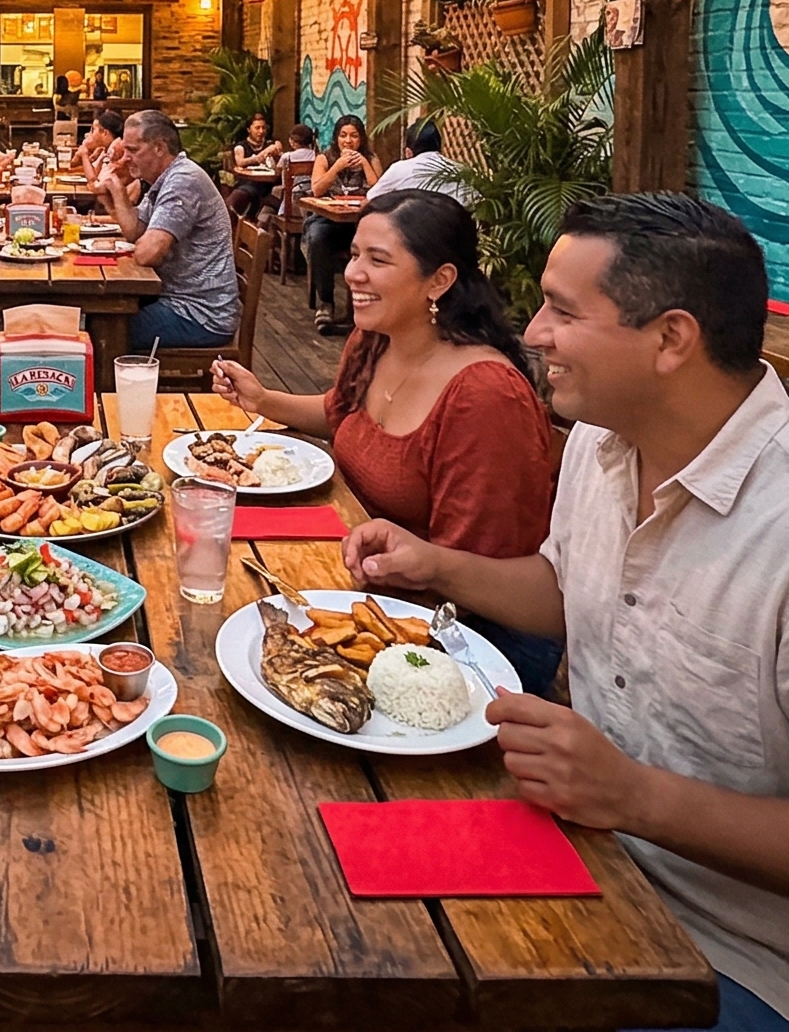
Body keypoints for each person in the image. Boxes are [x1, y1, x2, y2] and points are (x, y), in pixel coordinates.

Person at [343, 194, 789, 1032]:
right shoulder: (606, 441)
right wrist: (437, 564)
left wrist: (634, 797)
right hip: (614, 874)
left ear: (671, 339)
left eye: (563, 311)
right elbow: (564, 591)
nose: (533, 332)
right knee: (344, 900)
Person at [212, 189, 560, 695]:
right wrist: (263, 399)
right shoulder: (378, 337)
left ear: (439, 280)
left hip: (464, 642)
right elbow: (341, 413)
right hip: (362, 580)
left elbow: (484, 576)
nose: (353, 273)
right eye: (354, 254)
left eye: (378, 260)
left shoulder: (484, 396)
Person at [103, 108, 238, 349]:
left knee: (104, 330)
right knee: (103, 315)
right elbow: (135, 231)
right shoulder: (163, 180)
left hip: (199, 314)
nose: (125, 158)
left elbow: (147, 254)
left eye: (133, 150)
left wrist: (140, 244)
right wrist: (116, 187)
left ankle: (113, 386)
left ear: (159, 147)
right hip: (175, 300)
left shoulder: (183, 182)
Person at [303, 114, 377, 334]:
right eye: (343, 136)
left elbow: (378, 189)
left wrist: (363, 163)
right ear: (336, 138)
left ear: (361, 139)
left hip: (359, 222)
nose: (348, 141)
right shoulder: (325, 158)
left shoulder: (370, 158)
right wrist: (337, 166)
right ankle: (326, 301)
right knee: (317, 238)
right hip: (327, 220)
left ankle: (363, 305)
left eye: (354, 136)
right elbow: (317, 189)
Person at [366, 121, 469, 203]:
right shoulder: (460, 170)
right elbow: (477, 202)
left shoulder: (399, 169)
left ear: (408, 152)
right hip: (453, 227)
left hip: (408, 227)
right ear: (440, 147)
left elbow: (372, 198)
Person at [224, 111, 284, 217]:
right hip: (248, 185)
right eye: (257, 128)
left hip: (269, 188)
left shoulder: (270, 145)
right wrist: (261, 156)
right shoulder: (241, 146)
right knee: (236, 199)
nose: (261, 131)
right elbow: (240, 162)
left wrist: (278, 153)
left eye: (263, 128)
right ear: (249, 129)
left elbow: (281, 165)